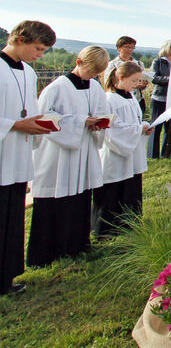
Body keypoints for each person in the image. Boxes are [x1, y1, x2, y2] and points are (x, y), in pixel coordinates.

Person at [29, 45, 110, 267]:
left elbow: (101, 112)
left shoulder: (95, 87)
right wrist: (80, 121)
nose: (92, 76)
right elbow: (45, 118)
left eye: (97, 73)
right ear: (78, 62)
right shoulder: (56, 88)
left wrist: (98, 123)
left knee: (80, 197)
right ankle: (47, 252)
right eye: (90, 71)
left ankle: (77, 244)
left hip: (83, 149)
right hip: (59, 154)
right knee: (56, 200)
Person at [0, 20, 55, 295]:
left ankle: (6, 277)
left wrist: (39, 124)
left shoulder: (29, 73)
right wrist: (14, 125)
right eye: (38, 48)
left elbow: (29, 110)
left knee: (12, 219)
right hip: (3, 151)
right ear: (20, 39)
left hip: (18, 155)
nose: (40, 55)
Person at [95, 61, 151, 237]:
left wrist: (143, 126)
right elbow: (113, 128)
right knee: (113, 189)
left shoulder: (131, 97)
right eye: (134, 80)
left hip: (131, 150)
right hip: (115, 152)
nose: (137, 84)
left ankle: (129, 222)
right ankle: (106, 228)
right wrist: (138, 129)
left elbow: (134, 120)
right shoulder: (109, 99)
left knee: (130, 187)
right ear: (120, 77)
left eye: (139, 80)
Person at [148, 40, 171, 159]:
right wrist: (170, 80)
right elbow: (154, 77)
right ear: (166, 48)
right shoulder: (158, 61)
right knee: (156, 126)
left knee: (169, 128)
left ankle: (166, 153)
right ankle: (153, 154)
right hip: (159, 98)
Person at [104, 36, 148, 115]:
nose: (130, 50)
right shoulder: (113, 64)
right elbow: (108, 82)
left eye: (132, 48)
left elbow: (142, 82)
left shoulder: (139, 64)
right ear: (119, 48)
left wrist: (143, 85)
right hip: (119, 99)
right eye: (127, 47)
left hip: (137, 100)